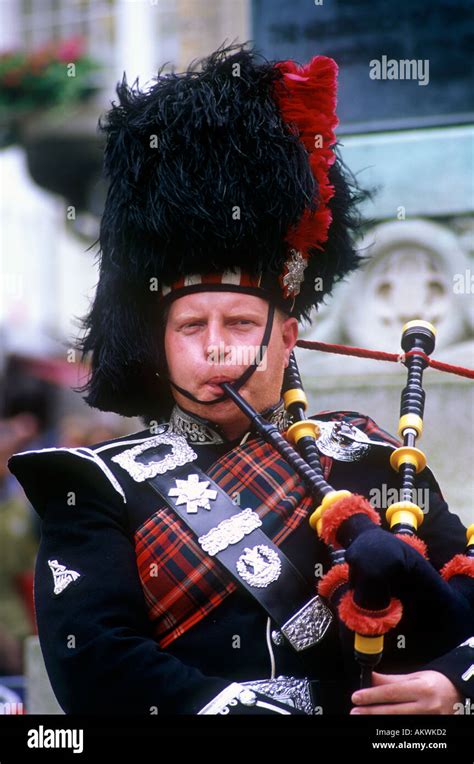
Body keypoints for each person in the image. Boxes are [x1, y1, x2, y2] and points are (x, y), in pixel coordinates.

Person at [8, 44, 474, 716]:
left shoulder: (373, 456)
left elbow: (464, 612)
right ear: (160, 347)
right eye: (191, 327)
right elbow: (99, 669)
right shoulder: (93, 486)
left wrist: (450, 685)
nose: (217, 350)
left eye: (239, 324)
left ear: (286, 338)